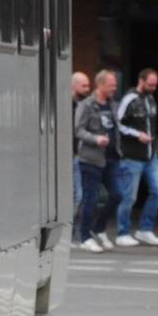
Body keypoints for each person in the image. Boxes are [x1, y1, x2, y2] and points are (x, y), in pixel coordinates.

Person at [114, 67, 158, 247]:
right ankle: (122, 232)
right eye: (150, 84)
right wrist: (137, 135)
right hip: (132, 155)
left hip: (151, 154)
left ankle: (145, 229)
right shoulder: (130, 99)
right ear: (141, 81)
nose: (153, 88)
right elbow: (118, 123)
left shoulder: (151, 99)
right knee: (129, 196)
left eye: (155, 85)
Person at [74, 69, 121, 252]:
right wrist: (96, 139)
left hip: (111, 157)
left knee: (117, 195)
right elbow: (78, 130)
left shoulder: (113, 105)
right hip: (91, 158)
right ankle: (85, 236)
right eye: (111, 85)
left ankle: (98, 227)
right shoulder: (87, 105)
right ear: (100, 85)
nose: (114, 88)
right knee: (90, 199)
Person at [71, 71, 91, 220]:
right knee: (77, 196)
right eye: (84, 86)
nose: (88, 88)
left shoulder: (83, 105)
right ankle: (69, 234)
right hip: (69, 156)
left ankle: (72, 234)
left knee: (79, 195)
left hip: (78, 155)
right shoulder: (66, 105)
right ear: (74, 86)